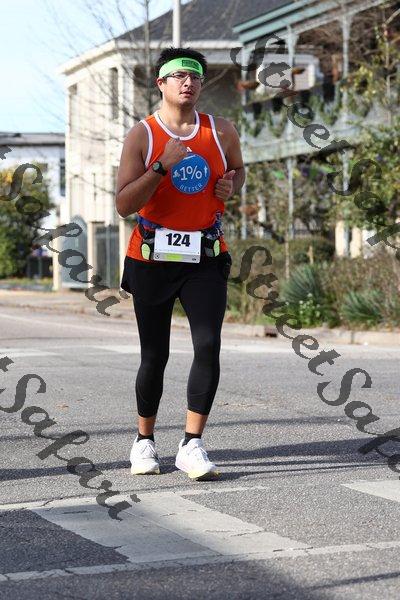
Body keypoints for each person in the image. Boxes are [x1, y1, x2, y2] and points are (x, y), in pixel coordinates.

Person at [116, 46, 245, 481]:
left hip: (205, 255)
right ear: (161, 83)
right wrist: (160, 167)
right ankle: (144, 440)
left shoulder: (221, 130)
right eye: (179, 76)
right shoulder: (142, 134)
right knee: (155, 354)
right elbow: (123, 204)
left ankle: (192, 444)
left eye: (195, 77)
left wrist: (231, 186)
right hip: (152, 256)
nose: (188, 82)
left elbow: (238, 170)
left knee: (208, 345)